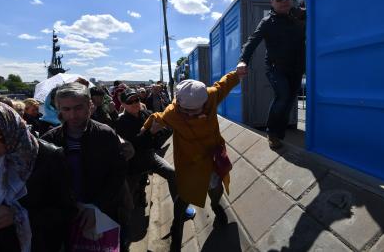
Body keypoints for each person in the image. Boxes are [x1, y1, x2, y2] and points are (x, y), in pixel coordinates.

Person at [142, 68, 245, 251]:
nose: (191, 114)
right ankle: (177, 233)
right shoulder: (172, 113)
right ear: (179, 104)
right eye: (187, 111)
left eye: (196, 110)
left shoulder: (211, 96)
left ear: (205, 101)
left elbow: (224, 83)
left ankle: (216, 207)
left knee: (215, 188)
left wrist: (238, 73)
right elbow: (157, 118)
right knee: (183, 199)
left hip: (212, 158)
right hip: (189, 163)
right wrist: (149, 127)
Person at [0, 100, 74, 252]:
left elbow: (66, 211)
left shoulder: (48, 156)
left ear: (8, 129)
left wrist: (17, 216)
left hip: (38, 244)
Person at [41, 82, 126, 243]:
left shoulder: (105, 134)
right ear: (59, 109)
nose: (72, 115)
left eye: (78, 108)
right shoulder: (48, 141)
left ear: (89, 105)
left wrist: (97, 206)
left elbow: (118, 173)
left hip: (104, 213)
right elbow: (47, 185)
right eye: (66, 109)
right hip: (66, 218)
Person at [237, 0, 305, 149]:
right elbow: (252, 41)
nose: (284, 1)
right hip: (276, 68)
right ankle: (272, 133)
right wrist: (243, 60)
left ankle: (279, 134)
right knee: (282, 96)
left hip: (296, 68)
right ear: (272, 2)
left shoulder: (300, 16)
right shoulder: (268, 22)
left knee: (289, 102)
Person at [116, 89, 177, 207]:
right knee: (128, 196)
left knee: (172, 174)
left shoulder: (147, 114)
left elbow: (160, 136)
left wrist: (161, 129)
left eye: (136, 99)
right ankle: (135, 206)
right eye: (130, 101)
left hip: (150, 156)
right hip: (133, 164)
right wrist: (152, 132)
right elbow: (133, 145)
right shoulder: (120, 122)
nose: (135, 103)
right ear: (123, 105)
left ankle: (179, 207)